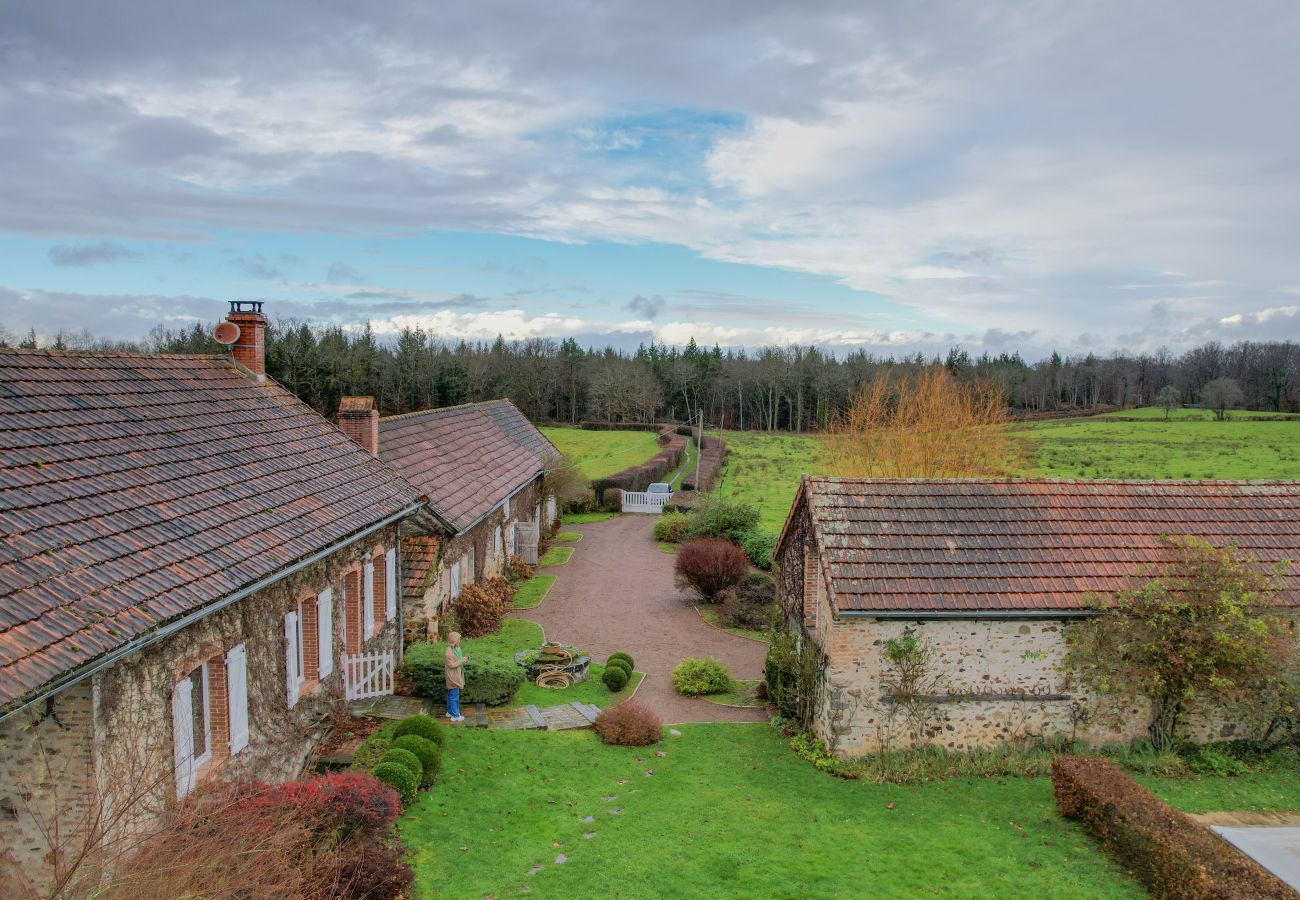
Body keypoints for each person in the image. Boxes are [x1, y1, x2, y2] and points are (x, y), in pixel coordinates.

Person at [444, 631, 468, 722]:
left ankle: (450, 712)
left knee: (451, 694)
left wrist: (463, 659)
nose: (459, 641)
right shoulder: (448, 652)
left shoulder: (455, 648)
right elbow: (451, 665)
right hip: (452, 676)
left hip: (455, 674)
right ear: (453, 640)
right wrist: (462, 661)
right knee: (454, 695)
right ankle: (455, 715)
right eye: (458, 639)